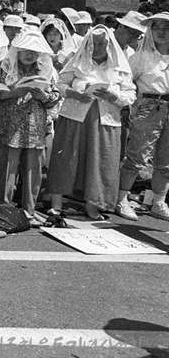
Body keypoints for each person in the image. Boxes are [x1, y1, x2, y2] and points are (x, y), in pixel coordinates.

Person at [48, 25, 135, 219]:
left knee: (101, 161)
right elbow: (59, 84)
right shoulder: (77, 62)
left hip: (106, 120)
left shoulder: (119, 67)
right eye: (93, 43)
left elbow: (130, 95)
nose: (97, 48)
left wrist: (113, 96)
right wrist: (74, 93)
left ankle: (92, 205)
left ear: (109, 44)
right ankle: (56, 203)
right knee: (66, 158)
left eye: (102, 44)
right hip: (75, 117)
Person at [0, 30, 61, 220]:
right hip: (8, 127)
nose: (30, 55)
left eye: (34, 52)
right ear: (17, 50)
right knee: (6, 170)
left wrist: (43, 96)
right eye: (26, 50)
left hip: (35, 127)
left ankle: (29, 211)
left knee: (33, 171)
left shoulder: (45, 69)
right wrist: (13, 92)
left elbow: (55, 96)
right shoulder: (3, 68)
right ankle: (2, 210)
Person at [118, 12, 169, 221]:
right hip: (149, 105)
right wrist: (134, 105)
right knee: (137, 155)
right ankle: (121, 198)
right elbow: (126, 82)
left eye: (166, 28)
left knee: (166, 160)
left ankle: (158, 201)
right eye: (156, 28)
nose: (161, 32)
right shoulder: (140, 57)